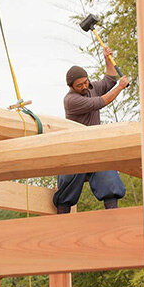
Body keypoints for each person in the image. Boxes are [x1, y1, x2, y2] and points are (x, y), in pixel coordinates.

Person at [53, 46, 130, 213]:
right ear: (71, 86)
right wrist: (120, 87)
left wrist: (107, 59)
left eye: (85, 81)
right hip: (76, 148)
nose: (84, 86)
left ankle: (113, 217)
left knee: (109, 178)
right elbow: (101, 102)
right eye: (79, 85)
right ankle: (61, 219)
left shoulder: (90, 88)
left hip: (94, 146)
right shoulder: (71, 100)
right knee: (67, 184)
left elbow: (109, 80)